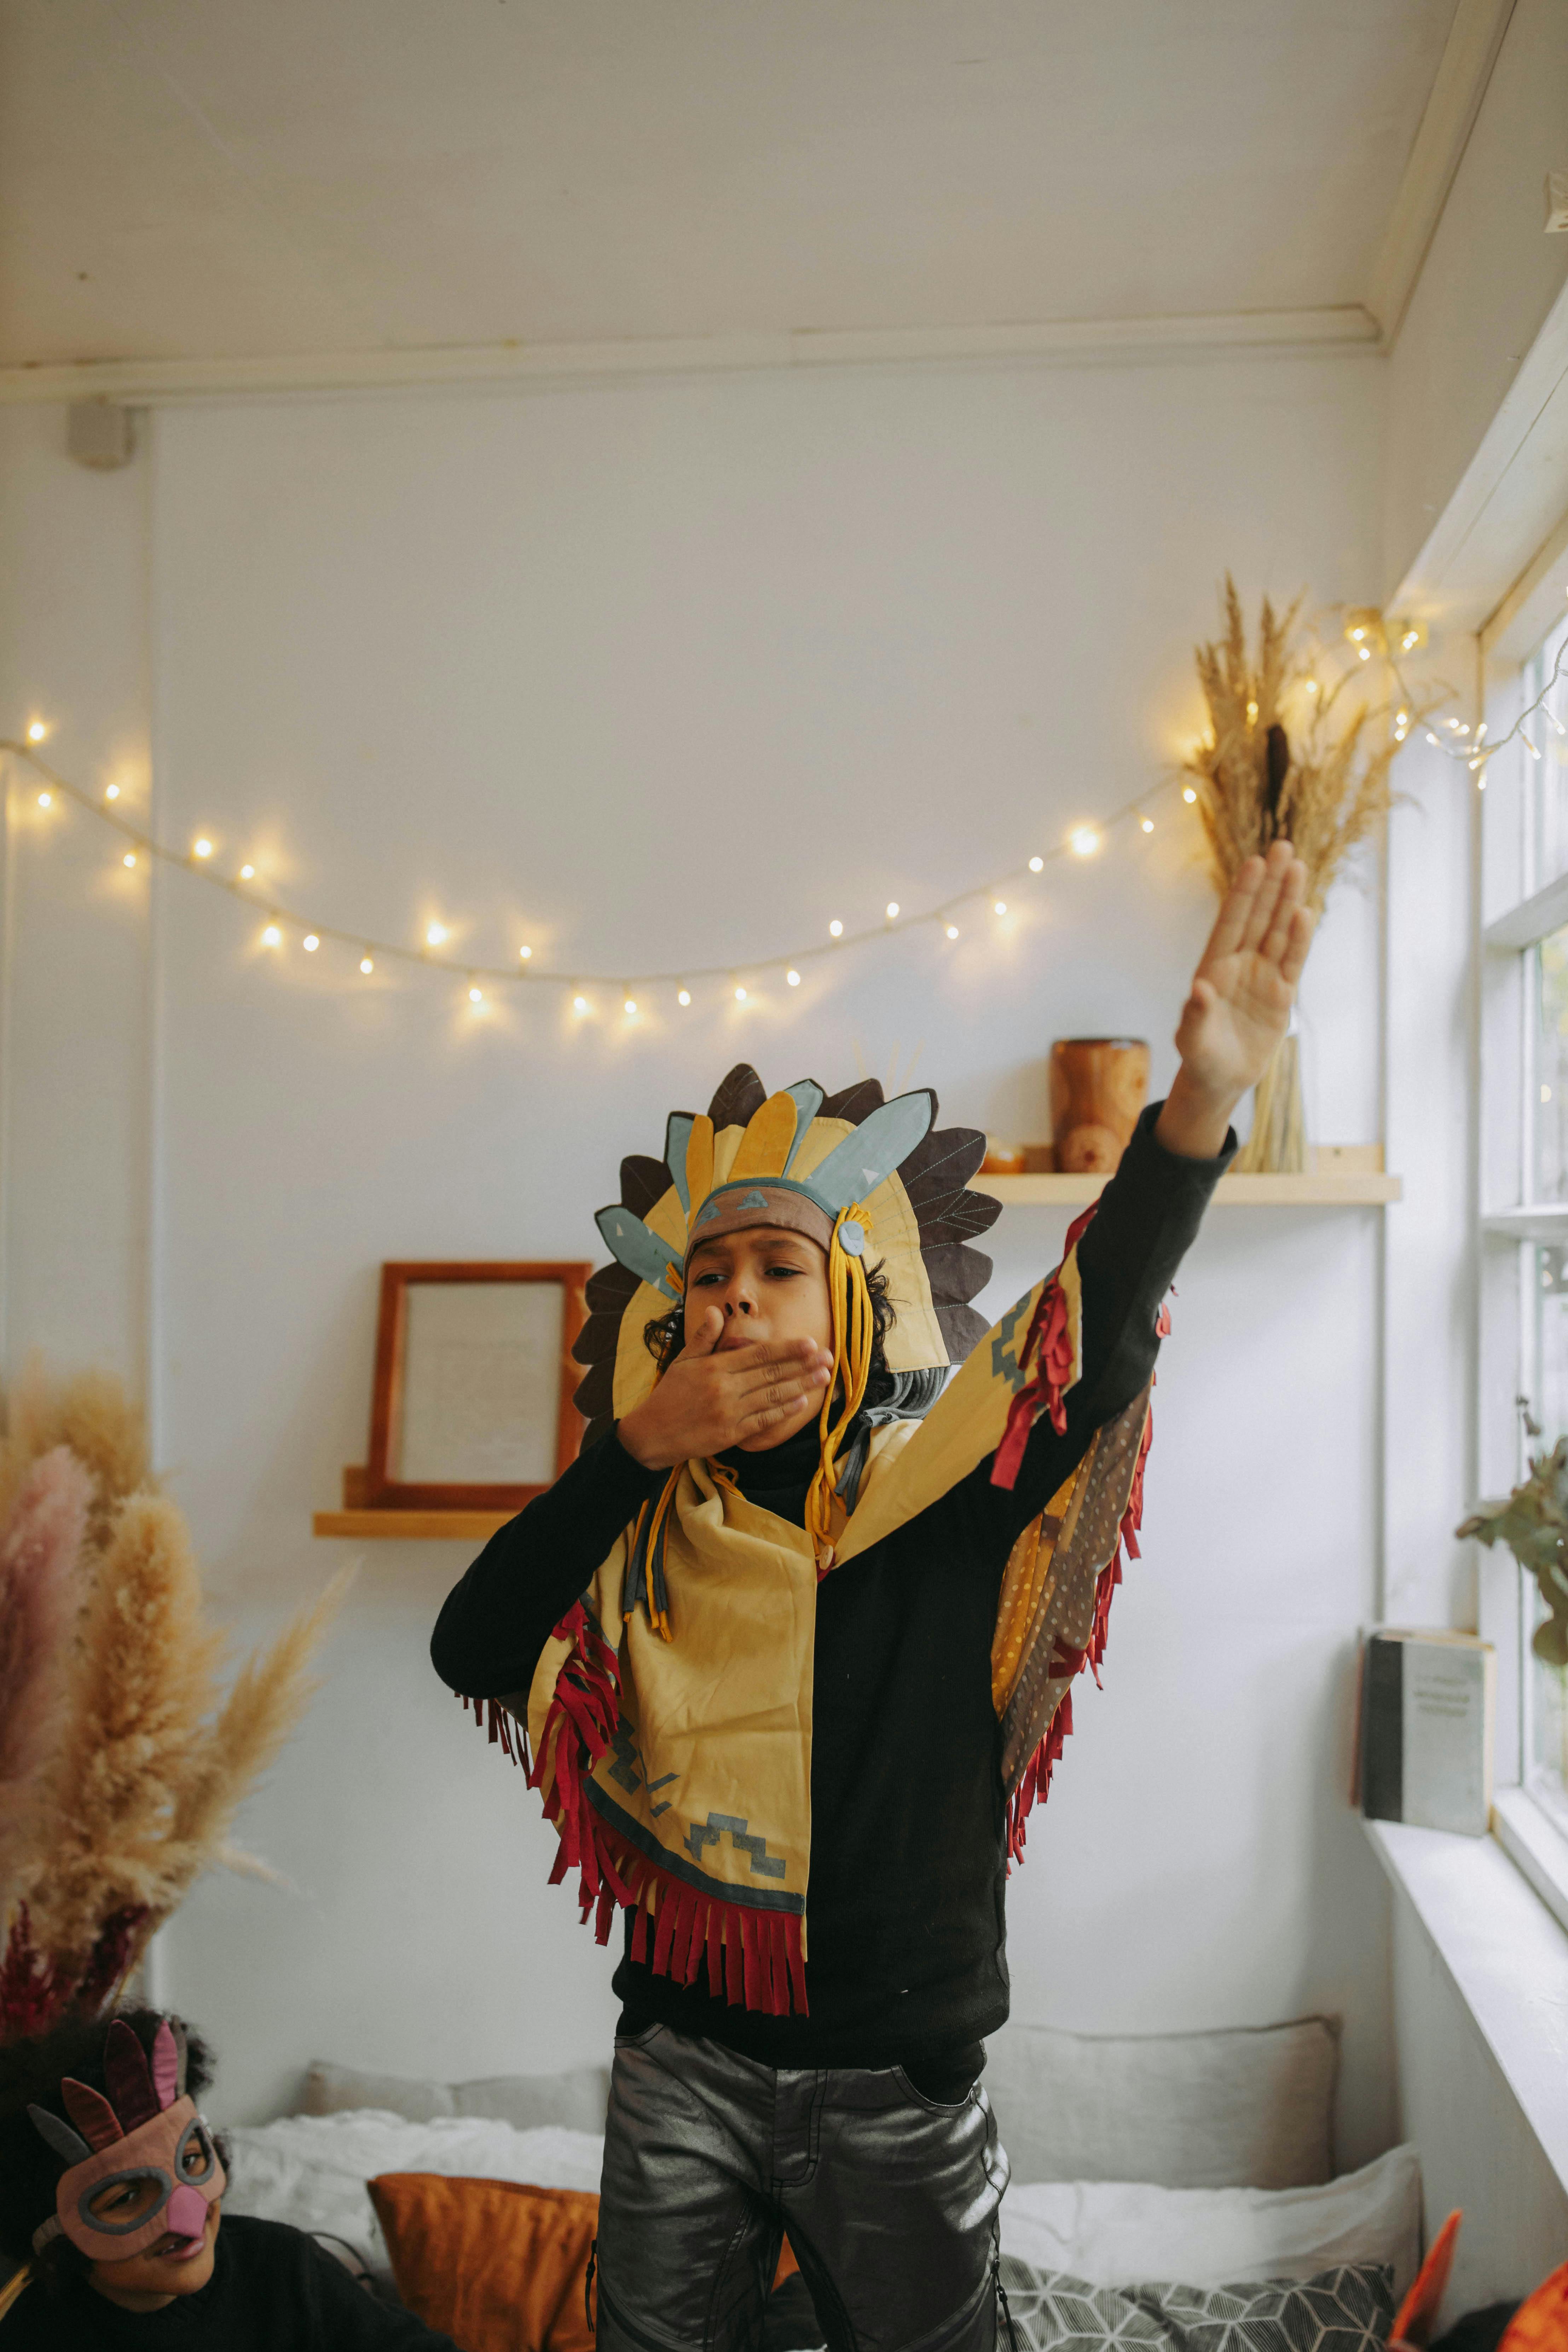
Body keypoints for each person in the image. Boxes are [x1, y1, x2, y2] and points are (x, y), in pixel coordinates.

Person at [433, 843, 1316, 2352]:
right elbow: (475, 1643)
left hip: (904, 2079)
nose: (730, 1297)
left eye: (775, 1268)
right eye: (706, 1278)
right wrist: (637, 1446)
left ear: (846, 1309)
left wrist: (1200, 1105)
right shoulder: (642, 1523)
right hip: (683, 2064)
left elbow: (1087, 1338)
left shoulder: (940, 1495)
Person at [0, 2006, 455, 2347]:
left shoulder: (284, 2267)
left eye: (192, 2161)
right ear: (52, 2233)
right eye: (123, 2198)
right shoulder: (32, 2333)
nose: (187, 2213)